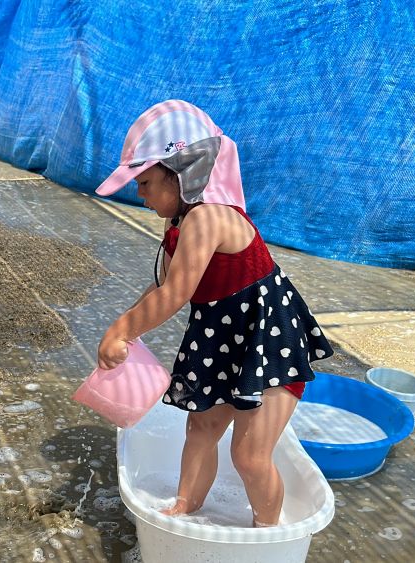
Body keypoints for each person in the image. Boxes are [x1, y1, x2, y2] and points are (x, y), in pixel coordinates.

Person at [94, 100, 333, 527]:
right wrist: (128, 328)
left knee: (250, 455)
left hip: (267, 338)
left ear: (184, 172)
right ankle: (185, 509)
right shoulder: (179, 224)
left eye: (145, 181)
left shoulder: (209, 219)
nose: (140, 193)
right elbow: (164, 285)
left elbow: (175, 296)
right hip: (221, 337)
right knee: (200, 429)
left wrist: (120, 330)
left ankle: (267, 533)